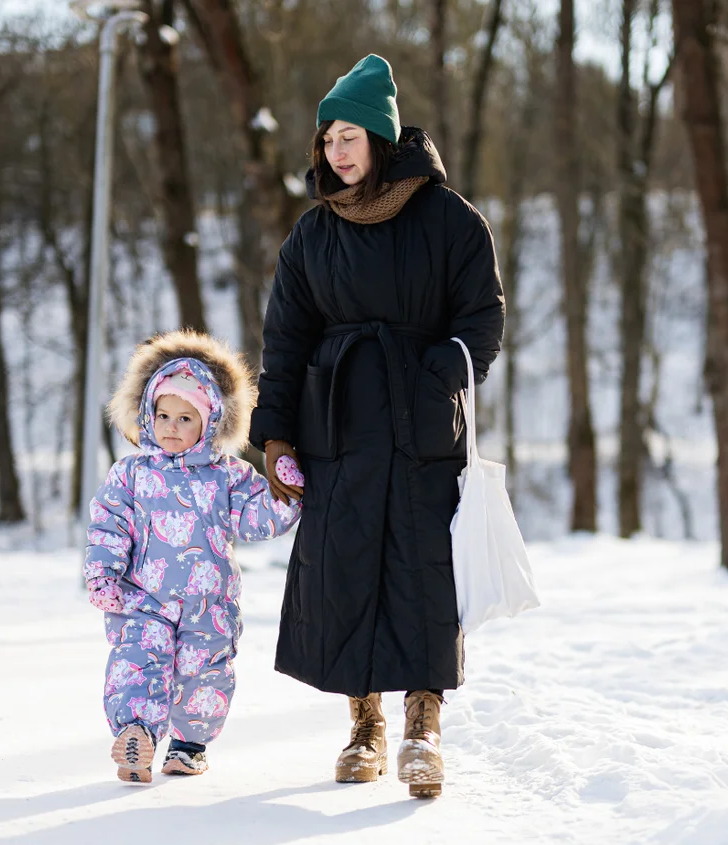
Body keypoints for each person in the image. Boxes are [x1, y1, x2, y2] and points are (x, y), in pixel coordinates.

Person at [249, 54, 505, 799]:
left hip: (423, 426)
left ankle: (423, 723)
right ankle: (365, 725)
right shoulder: (310, 236)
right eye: (328, 138)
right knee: (346, 570)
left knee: (425, 570)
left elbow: (481, 318)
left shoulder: (450, 219)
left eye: (351, 136)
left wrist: (438, 380)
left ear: (383, 139)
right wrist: (276, 436)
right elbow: (284, 341)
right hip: (336, 426)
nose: (337, 151)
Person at [85, 330, 302, 784]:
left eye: (185, 418)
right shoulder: (130, 473)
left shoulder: (227, 476)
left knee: (204, 675)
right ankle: (135, 736)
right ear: (147, 414)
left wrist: (287, 491)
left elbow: (259, 517)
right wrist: (104, 572)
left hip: (209, 606)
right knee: (139, 663)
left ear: (210, 424)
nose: (170, 426)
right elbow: (109, 523)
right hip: (143, 599)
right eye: (162, 414)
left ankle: (187, 746)